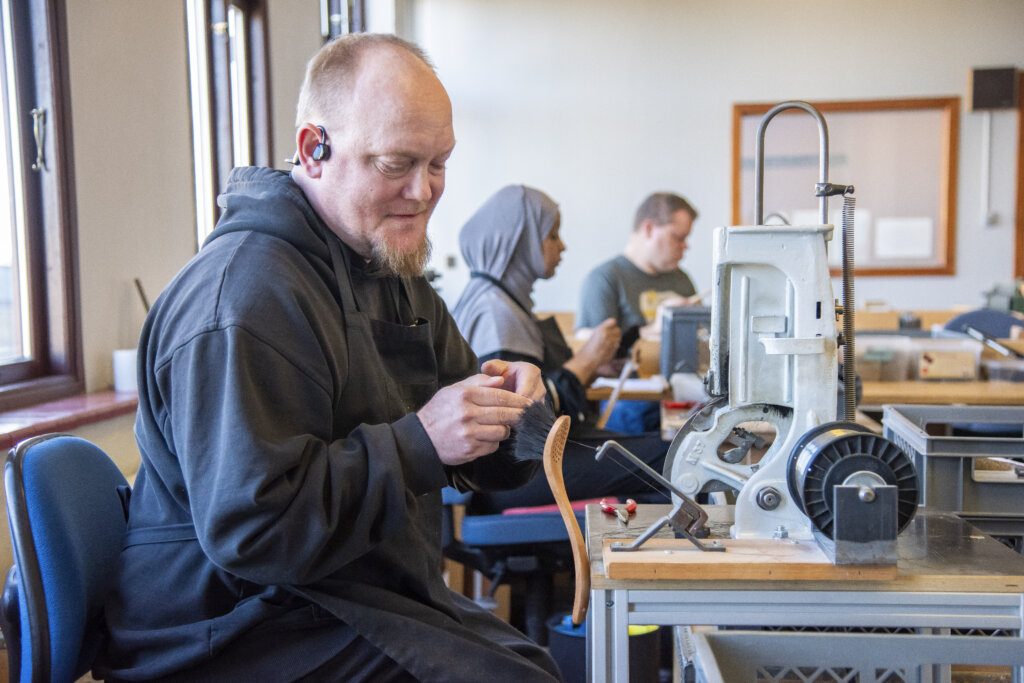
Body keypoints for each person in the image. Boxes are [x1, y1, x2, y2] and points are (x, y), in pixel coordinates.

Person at [100, 34, 561, 683]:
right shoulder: (247, 299)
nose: (425, 190)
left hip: (348, 589)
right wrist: (421, 441)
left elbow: (472, 442)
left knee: (531, 663)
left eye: (439, 163)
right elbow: (256, 535)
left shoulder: (389, 268)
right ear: (316, 148)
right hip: (230, 624)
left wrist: (516, 411)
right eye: (398, 163)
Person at [452, 184, 669, 513]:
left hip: (533, 461)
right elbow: (521, 421)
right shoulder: (495, 312)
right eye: (552, 236)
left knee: (666, 453)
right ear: (520, 241)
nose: (562, 246)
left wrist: (592, 366)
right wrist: (584, 362)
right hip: (516, 474)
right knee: (671, 458)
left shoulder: (503, 303)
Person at [575, 191, 700, 340]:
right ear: (649, 229)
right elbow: (589, 344)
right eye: (678, 238)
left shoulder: (682, 279)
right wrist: (653, 330)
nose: (685, 246)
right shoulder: (604, 279)